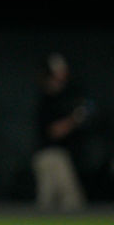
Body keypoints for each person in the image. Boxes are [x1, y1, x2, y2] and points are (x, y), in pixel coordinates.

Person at [32, 53, 88, 211]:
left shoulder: (65, 96)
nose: (62, 74)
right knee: (68, 199)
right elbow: (54, 131)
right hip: (49, 156)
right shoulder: (46, 99)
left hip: (60, 154)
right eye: (58, 71)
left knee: (57, 200)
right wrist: (74, 120)